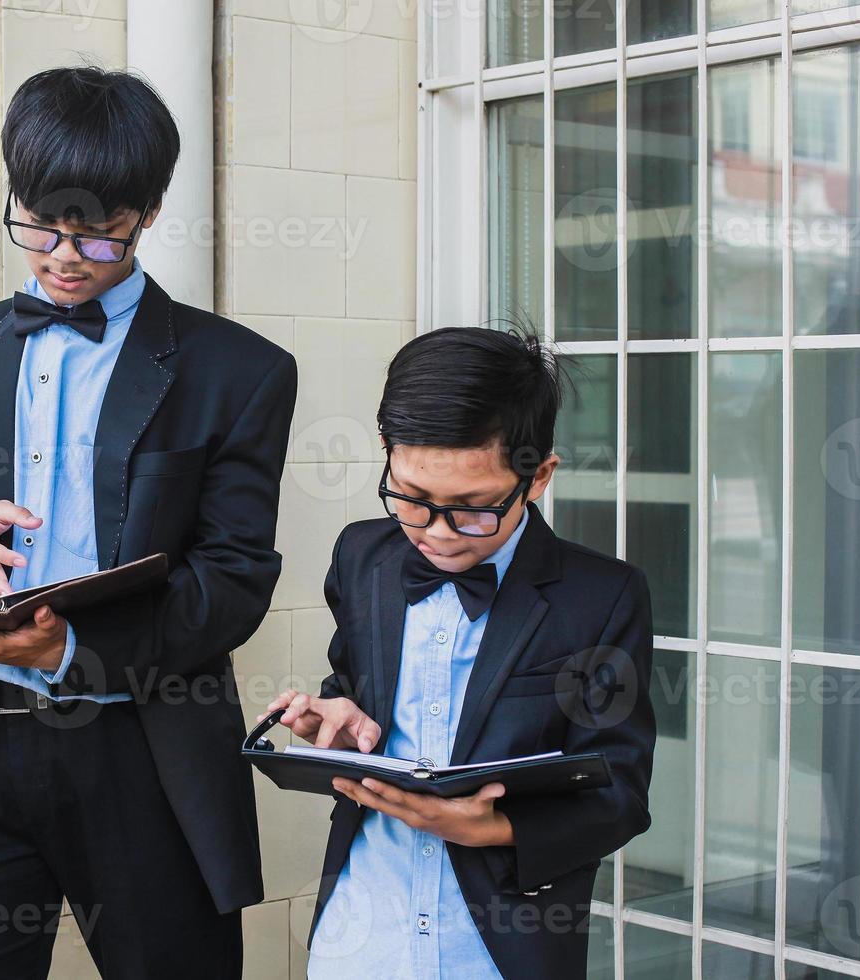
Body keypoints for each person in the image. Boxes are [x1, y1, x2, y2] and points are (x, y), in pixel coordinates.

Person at [0, 65, 298, 978]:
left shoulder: (241, 370)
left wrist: (67, 653)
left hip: (141, 753)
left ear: (146, 211)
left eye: (97, 230)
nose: (63, 254)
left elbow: (232, 584)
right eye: (38, 220)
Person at [268, 326, 655, 979]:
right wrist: (334, 719)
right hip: (358, 937)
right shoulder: (362, 556)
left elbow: (620, 795)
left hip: (500, 948)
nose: (435, 533)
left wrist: (492, 827)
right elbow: (354, 687)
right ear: (388, 452)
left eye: (472, 508)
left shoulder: (604, 597)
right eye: (411, 500)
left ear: (538, 477)